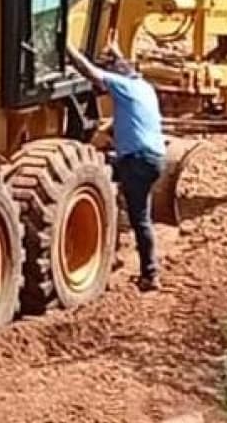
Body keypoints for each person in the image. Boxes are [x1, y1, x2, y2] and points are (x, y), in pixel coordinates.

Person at [65, 41, 167, 292]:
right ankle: (124, 250)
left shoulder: (123, 86)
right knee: (133, 205)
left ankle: (149, 274)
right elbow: (133, 119)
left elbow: (91, 72)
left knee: (139, 217)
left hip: (137, 161)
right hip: (154, 160)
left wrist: (67, 47)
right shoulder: (145, 88)